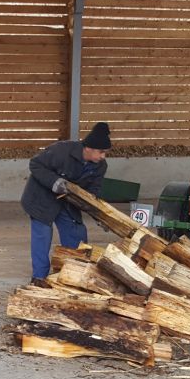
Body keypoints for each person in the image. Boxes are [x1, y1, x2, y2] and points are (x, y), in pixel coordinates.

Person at [21, 122, 110, 285]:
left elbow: (94, 192)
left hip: (67, 201)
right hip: (41, 198)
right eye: (101, 152)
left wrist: (100, 215)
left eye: (105, 152)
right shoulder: (61, 150)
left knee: (76, 235)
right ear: (88, 148)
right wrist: (55, 182)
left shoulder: (100, 166)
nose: (103, 156)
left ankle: (74, 275)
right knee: (42, 236)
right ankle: (39, 277)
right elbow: (35, 164)